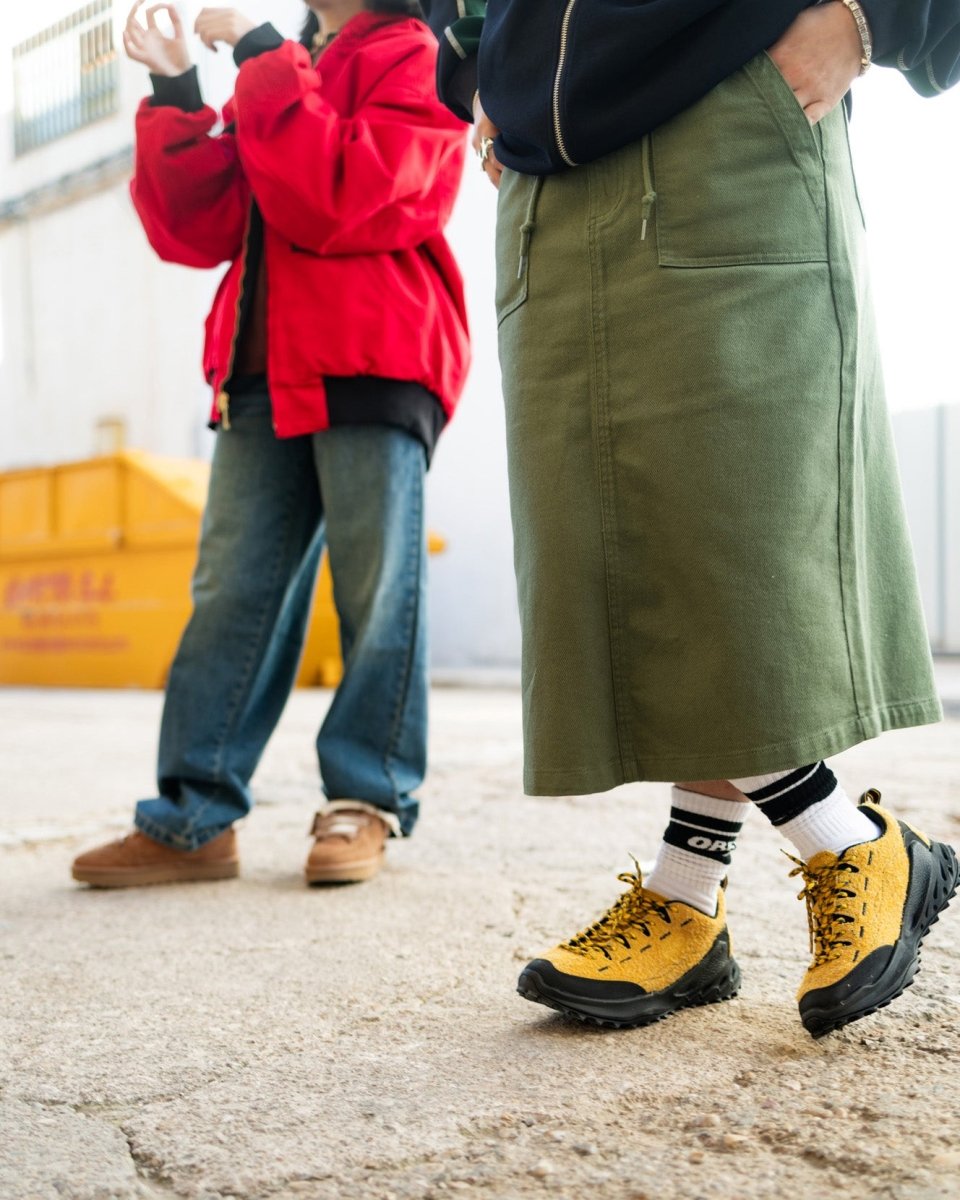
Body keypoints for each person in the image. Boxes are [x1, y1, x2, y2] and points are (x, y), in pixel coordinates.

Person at [423, 0, 960, 1036]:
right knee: (616, 541)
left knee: (727, 533)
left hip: (732, 104)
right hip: (547, 152)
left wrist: (876, 16)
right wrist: (472, 59)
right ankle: (694, 891)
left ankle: (843, 845)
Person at [71, 0, 469, 889]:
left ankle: (364, 800)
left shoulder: (417, 57)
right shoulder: (290, 66)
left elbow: (341, 195)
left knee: (377, 591)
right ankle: (193, 818)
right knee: (229, 593)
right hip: (260, 369)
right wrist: (179, 84)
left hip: (374, 358)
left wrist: (257, 55)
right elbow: (200, 226)